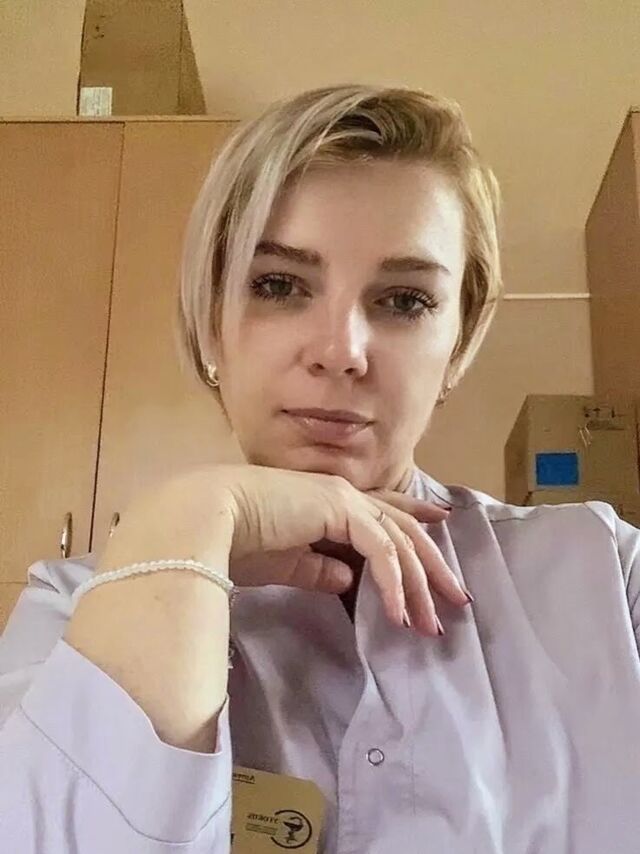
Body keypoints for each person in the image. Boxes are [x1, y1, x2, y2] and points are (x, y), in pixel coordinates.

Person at [1, 84, 639, 854]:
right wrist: (186, 520)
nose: (341, 351)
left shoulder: (611, 575)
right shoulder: (72, 610)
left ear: (460, 342)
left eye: (404, 301)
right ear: (211, 320)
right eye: (278, 285)